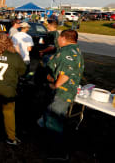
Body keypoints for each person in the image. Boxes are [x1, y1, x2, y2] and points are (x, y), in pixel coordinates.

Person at [39, 30, 84, 160]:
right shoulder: (75, 49)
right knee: (53, 117)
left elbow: (64, 74)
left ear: (63, 38)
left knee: (54, 120)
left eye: (59, 38)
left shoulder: (67, 52)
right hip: (66, 91)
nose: (57, 40)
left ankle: (57, 153)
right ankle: (54, 146)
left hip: (62, 92)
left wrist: (54, 84)